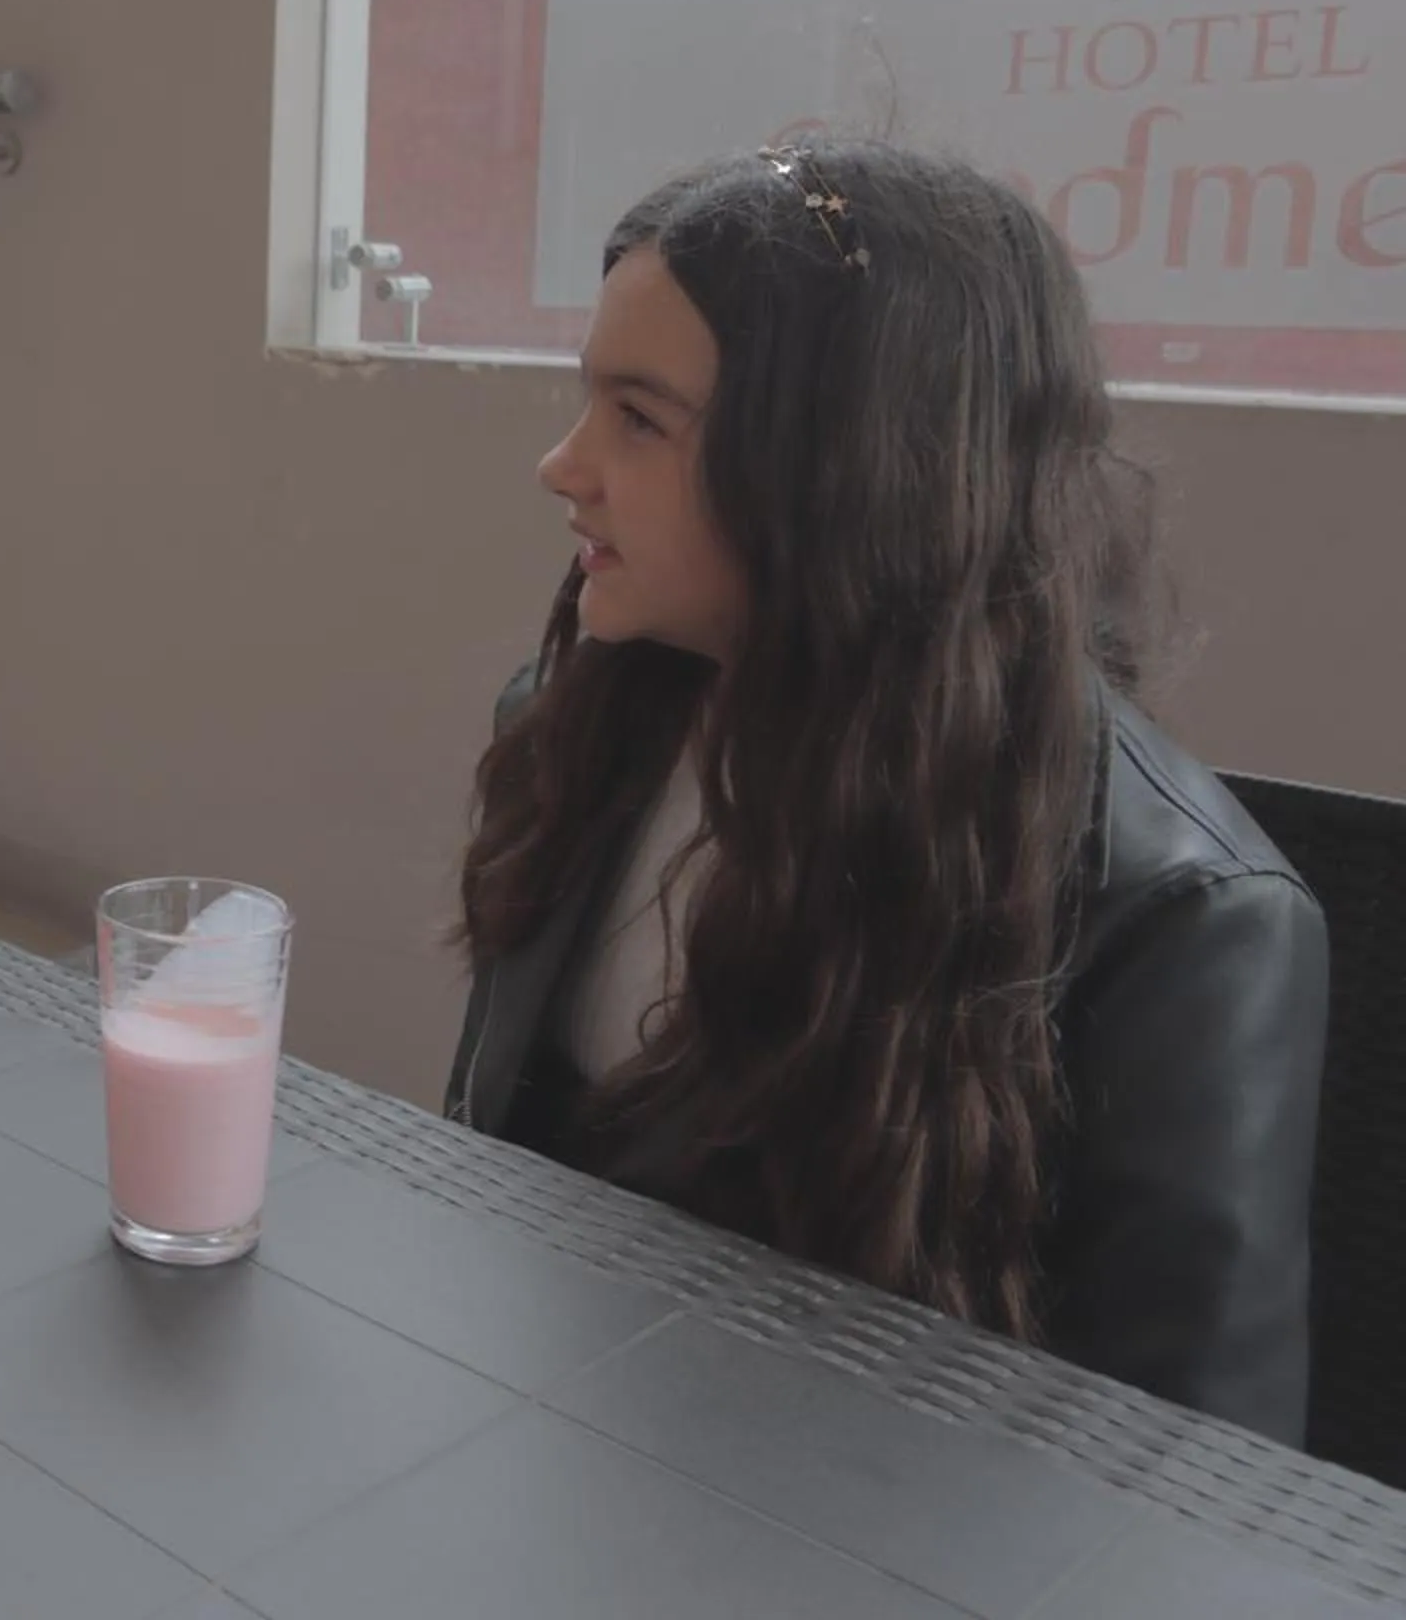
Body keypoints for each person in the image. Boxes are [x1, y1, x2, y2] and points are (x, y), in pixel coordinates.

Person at [448, 140, 1326, 1443]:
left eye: (639, 419)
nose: (562, 465)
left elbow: (1194, 1491)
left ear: (850, 466)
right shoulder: (575, 728)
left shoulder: (1188, 927)